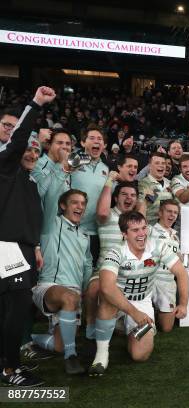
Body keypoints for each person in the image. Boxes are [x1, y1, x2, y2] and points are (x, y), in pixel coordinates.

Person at [0, 86, 55, 386]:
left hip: (20, 247)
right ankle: (11, 370)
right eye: (27, 149)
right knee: (17, 307)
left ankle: (6, 364)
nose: (31, 152)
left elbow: (30, 218)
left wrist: (33, 247)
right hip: (6, 247)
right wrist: (34, 103)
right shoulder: (5, 165)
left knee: (13, 309)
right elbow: (18, 140)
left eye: (36, 150)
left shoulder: (28, 181)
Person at [89, 211, 189, 375]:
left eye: (144, 228)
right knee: (108, 298)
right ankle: (101, 354)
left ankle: (124, 329)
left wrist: (183, 303)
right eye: (135, 230)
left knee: (139, 355)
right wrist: (134, 313)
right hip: (119, 300)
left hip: (142, 300)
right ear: (124, 234)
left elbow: (181, 273)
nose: (142, 234)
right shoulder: (115, 252)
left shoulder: (158, 246)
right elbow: (107, 287)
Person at [31, 190, 92, 375]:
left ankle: (28, 338)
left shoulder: (84, 235)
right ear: (63, 206)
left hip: (73, 295)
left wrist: (86, 289)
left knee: (58, 346)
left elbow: (87, 264)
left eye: (82, 203)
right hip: (48, 286)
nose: (79, 207)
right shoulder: (52, 224)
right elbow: (49, 198)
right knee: (70, 297)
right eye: (74, 203)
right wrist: (62, 169)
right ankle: (71, 357)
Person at [83, 181, 140, 342]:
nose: (129, 198)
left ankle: (121, 320)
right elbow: (101, 210)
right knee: (93, 289)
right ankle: (90, 326)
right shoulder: (107, 215)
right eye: (124, 194)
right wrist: (109, 181)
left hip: (130, 271)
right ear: (116, 198)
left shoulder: (136, 220)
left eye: (133, 195)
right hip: (104, 269)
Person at [149, 200, 189, 332]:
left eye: (175, 212)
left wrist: (187, 259)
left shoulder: (175, 236)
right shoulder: (150, 230)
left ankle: (156, 312)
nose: (172, 215)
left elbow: (176, 259)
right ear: (160, 213)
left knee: (167, 328)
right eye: (169, 211)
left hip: (168, 282)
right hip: (151, 278)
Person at [71, 125, 110, 267]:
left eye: (100, 139)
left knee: (89, 274)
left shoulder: (106, 169)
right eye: (92, 138)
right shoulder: (75, 160)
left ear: (104, 145)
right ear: (82, 142)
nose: (97, 141)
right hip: (72, 229)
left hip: (95, 232)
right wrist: (81, 156)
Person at [138, 152, 174, 224]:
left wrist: (155, 194)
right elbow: (140, 207)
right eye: (157, 163)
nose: (161, 165)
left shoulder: (170, 183)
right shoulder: (143, 183)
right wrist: (167, 194)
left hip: (168, 228)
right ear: (150, 166)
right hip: (150, 227)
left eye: (163, 163)